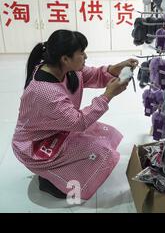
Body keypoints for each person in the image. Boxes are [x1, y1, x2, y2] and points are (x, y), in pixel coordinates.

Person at [11, 30, 138, 200]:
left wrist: (113, 69)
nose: (85, 56)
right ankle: (54, 180)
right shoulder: (45, 92)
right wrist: (108, 95)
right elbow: (79, 122)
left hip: (56, 130)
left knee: (103, 134)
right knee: (99, 150)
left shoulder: (64, 69)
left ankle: (55, 173)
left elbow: (92, 75)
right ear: (65, 58)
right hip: (35, 145)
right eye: (81, 52)